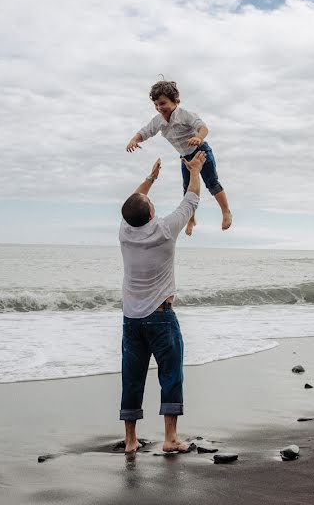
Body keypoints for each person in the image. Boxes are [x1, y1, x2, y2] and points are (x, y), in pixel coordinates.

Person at [117, 151, 206, 453]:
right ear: (152, 214)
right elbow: (192, 198)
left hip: (131, 320)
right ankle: (170, 438)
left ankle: (130, 440)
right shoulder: (165, 231)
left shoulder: (125, 233)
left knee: (132, 378)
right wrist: (194, 170)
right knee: (171, 375)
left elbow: (133, 202)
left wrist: (150, 180)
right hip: (160, 317)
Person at [126, 79, 231, 236]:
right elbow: (146, 131)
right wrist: (135, 139)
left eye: (163, 103)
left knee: (212, 183)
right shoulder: (158, 121)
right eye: (156, 105)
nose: (159, 108)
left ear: (176, 101)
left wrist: (199, 138)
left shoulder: (185, 115)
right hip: (185, 157)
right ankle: (191, 219)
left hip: (201, 151)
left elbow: (202, 127)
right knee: (187, 190)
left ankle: (225, 211)